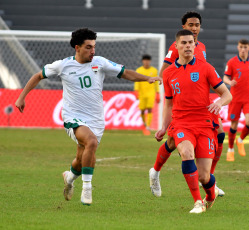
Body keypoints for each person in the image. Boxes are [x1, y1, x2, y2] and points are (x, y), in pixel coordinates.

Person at [15, 28, 162, 206]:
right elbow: (38, 76)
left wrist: (147, 79)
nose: (93, 51)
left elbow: (125, 72)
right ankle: (87, 188)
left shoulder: (99, 63)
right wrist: (22, 97)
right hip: (73, 117)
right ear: (77, 48)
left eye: (94, 46)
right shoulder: (63, 65)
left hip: (96, 119)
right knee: (90, 142)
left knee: (81, 158)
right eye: (88, 47)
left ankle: (69, 178)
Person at [149, 11, 226, 197]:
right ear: (184, 27)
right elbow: (167, 70)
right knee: (175, 142)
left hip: (202, 104)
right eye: (190, 25)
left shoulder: (202, 47)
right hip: (181, 103)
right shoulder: (177, 46)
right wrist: (161, 79)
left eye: (197, 25)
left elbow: (202, 71)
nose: (194, 28)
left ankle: (208, 177)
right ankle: (156, 171)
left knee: (220, 135)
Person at [223, 39, 249, 162]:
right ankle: (230, 149)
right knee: (234, 124)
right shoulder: (232, 62)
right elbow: (225, 77)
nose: (243, 49)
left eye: (245, 47)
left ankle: (240, 140)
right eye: (241, 47)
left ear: (248, 48)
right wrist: (229, 82)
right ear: (238, 48)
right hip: (235, 98)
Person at [134, 54, 160, 135]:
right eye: (145, 60)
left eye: (148, 60)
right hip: (142, 93)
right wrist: (136, 91)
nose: (146, 62)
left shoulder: (154, 70)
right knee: (142, 110)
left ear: (150, 61)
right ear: (143, 61)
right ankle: (144, 124)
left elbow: (156, 83)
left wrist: (158, 93)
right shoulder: (139, 70)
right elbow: (136, 80)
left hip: (151, 93)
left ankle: (148, 126)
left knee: (149, 109)